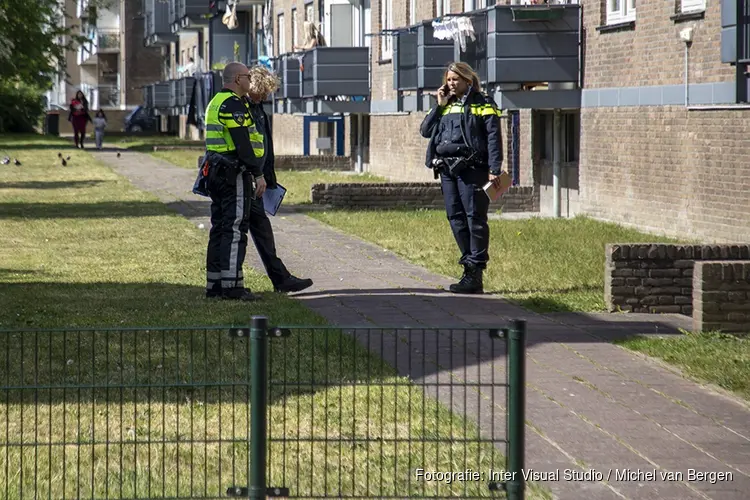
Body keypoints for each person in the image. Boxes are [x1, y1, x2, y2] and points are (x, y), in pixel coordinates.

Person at [419, 62, 505, 294]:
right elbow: (425, 131)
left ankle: (475, 272)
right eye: (448, 79)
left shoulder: (483, 103)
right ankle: (469, 266)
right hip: (447, 170)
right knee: (455, 217)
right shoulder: (444, 104)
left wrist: (495, 169)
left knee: (474, 218)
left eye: (456, 79)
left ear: (468, 80)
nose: (451, 83)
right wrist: (439, 106)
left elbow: (494, 137)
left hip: (472, 169)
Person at [242, 65, 314, 294]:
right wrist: (258, 175)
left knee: (262, 230)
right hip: (247, 179)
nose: (264, 96)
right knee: (249, 231)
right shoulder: (244, 108)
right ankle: (277, 280)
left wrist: (269, 176)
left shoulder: (258, 109)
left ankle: (281, 279)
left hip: (258, 180)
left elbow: (265, 146)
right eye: (262, 91)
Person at [203, 62, 268, 301]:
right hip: (233, 173)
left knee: (219, 227)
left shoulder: (215, 101)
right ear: (238, 79)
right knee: (234, 228)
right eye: (248, 76)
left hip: (215, 172)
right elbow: (242, 144)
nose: (250, 81)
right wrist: (257, 174)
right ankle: (232, 287)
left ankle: (215, 284)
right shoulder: (233, 104)